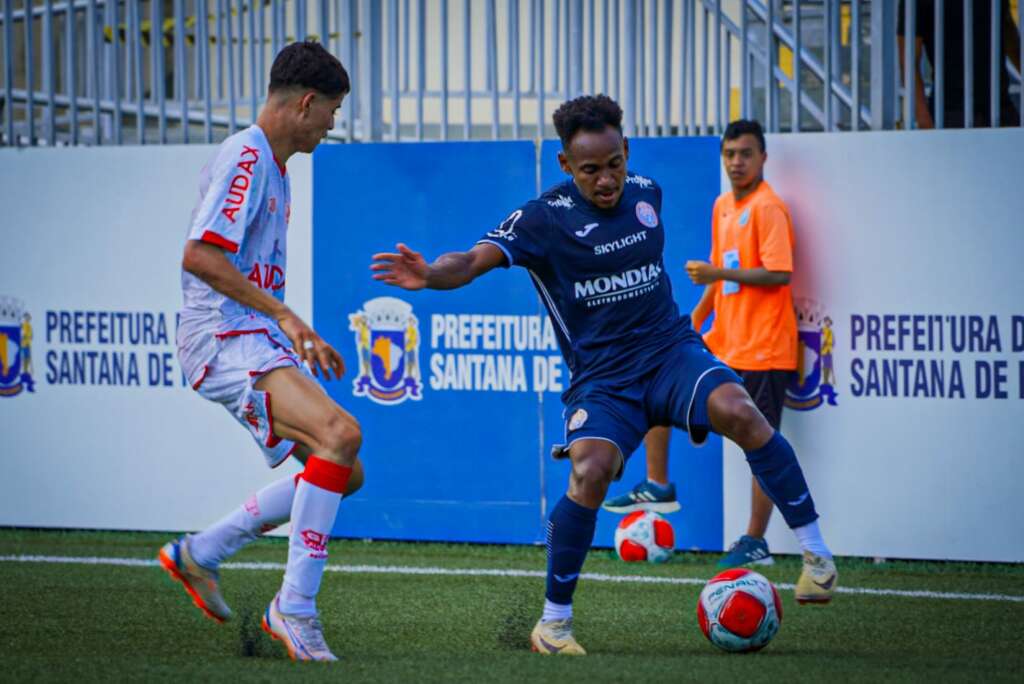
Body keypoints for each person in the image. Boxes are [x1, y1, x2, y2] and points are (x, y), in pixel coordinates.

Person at [371, 96, 837, 656]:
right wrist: (431, 275)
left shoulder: (647, 194)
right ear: (567, 166)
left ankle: (815, 557)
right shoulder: (543, 218)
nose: (607, 179)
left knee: (743, 412)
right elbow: (470, 261)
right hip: (605, 380)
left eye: (614, 163)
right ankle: (554, 624)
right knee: (590, 474)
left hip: (670, 353)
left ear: (627, 154)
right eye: (591, 169)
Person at [159, 41, 363, 663]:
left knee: (343, 471)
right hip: (224, 338)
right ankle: (294, 608)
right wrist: (284, 315)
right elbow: (199, 255)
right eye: (331, 111)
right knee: (339, 432)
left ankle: (201, 552)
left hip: (253, 335)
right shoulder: (247, 154)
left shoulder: (274, 164)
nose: (332, 124)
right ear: (306, 103)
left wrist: (284, 326)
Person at [604, 120, 799, 570]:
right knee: (656, 387)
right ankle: (658, 483)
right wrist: (694, 319)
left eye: (745, 153)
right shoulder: (723, 204)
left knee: (762, 443)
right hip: (725, 341)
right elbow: (719, 269)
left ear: (763, 158)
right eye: (729, 153)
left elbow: (779, 273)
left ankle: (755, 540)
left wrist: (718, 277)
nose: (736, 162)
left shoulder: (768, 208)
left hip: (765, 347)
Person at [898, 0, 1022, 128]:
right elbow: (908, 62)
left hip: (1000, 108)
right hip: (951, 113)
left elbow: (1006, 31)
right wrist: (926, 125)